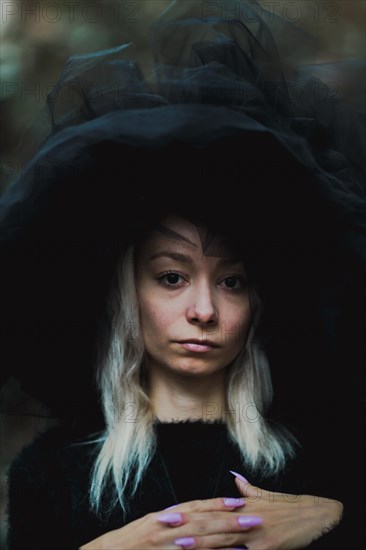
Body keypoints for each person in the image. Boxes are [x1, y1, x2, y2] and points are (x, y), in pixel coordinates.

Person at [2, 1, 365, 549]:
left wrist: (338, 521)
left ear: (261, 301)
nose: (203, 310)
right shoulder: (47, 476)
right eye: (172, 277)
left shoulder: (333, 464)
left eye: (232, 281)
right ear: (128, 292)